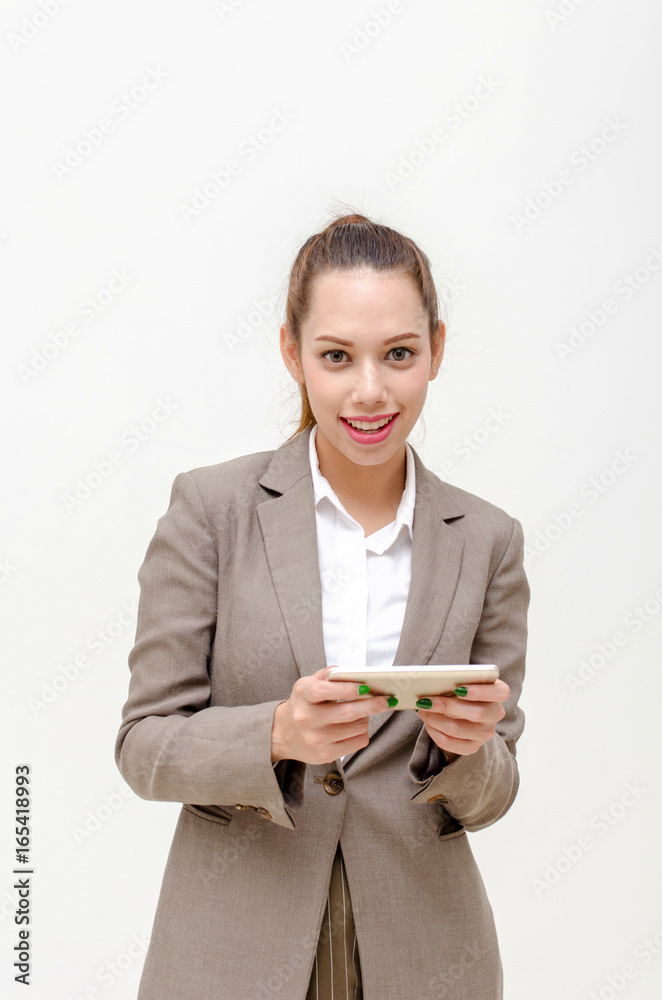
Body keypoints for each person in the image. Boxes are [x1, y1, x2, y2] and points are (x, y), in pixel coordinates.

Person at [115, 212, 529, 1000]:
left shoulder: (488, 540)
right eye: (336, 356)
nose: (370, 390)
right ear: (292, 352)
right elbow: (144, 747)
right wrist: (276, 734)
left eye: (399, 354)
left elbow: (496, 789)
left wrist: (468, 750)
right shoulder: (210, 510)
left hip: (426, 955)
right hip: (232, 953)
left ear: (437, 350)